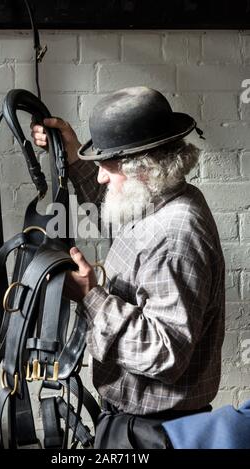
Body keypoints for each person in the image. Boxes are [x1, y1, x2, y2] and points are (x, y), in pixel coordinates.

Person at [31, 86, 225, 449]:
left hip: (151, 435)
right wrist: (73, 158)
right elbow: (119, 216)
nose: (101, 176)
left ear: (145, 167)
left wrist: (91, 297)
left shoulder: (174, 235)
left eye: (107, 164)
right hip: (138, 424)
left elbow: (164, 354)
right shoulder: (165, 197)